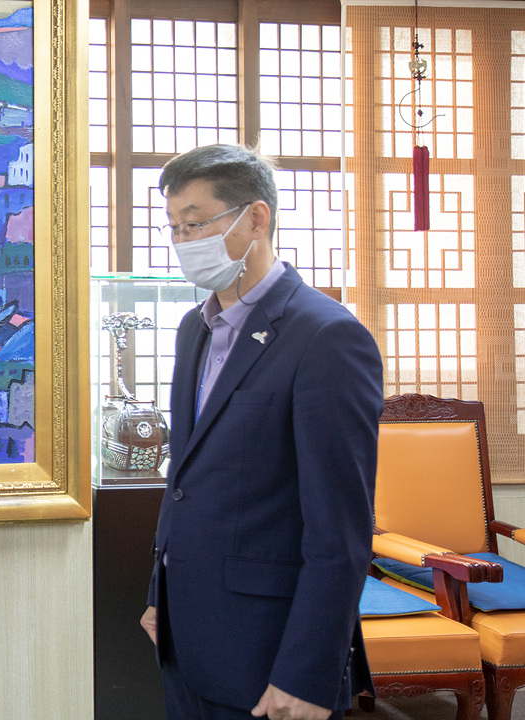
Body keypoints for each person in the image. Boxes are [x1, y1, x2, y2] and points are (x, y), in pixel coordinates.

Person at [139, 144, 383, 720]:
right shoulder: (194, 329)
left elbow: (340, 529)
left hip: (268, 652)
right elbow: (184, 478)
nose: (183, 241)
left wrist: (308, 673)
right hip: (184, 635)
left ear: (255, 218)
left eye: (197, 223)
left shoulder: (326, 337)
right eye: (174, 227)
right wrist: (159, 592)